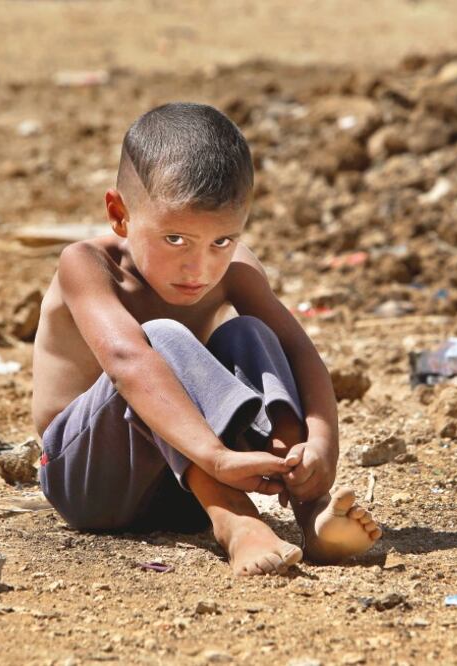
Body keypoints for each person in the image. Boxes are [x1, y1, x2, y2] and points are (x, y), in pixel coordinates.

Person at [31, 102, 381, 575]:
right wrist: (216, 458)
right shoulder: (89, 266)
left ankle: (312, 512)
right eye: (175, 239)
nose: (199, 268)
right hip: (91, 482)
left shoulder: (236, 271)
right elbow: (125, 359)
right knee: (159, 338)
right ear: (120, 214)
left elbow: (299, 352)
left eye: (222, 241)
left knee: (250, 333)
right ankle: (235, 523)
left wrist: (320, 446)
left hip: (186, 487)